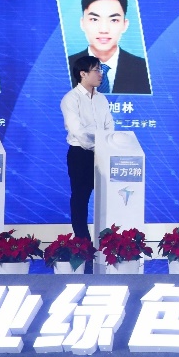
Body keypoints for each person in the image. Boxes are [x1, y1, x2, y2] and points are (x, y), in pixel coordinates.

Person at [61, 56, 115, 240]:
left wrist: (106, 146)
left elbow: (109, 126)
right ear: (83, 74)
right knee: (80, 198)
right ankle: (83, 243)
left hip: (103, 154)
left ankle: (107, 241)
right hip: (81, 154)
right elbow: (78, 131)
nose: (101, 74)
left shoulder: (102, 99)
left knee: (106, 197)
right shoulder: (71, 99)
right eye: (97, 70)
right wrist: (98, 145)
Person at [66, 0, 152, 95]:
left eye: (114, 20)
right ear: (82, 23)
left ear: (125, 25)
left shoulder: (144, 69)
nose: (104, 30)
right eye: (94, 19)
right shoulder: (66, 66)